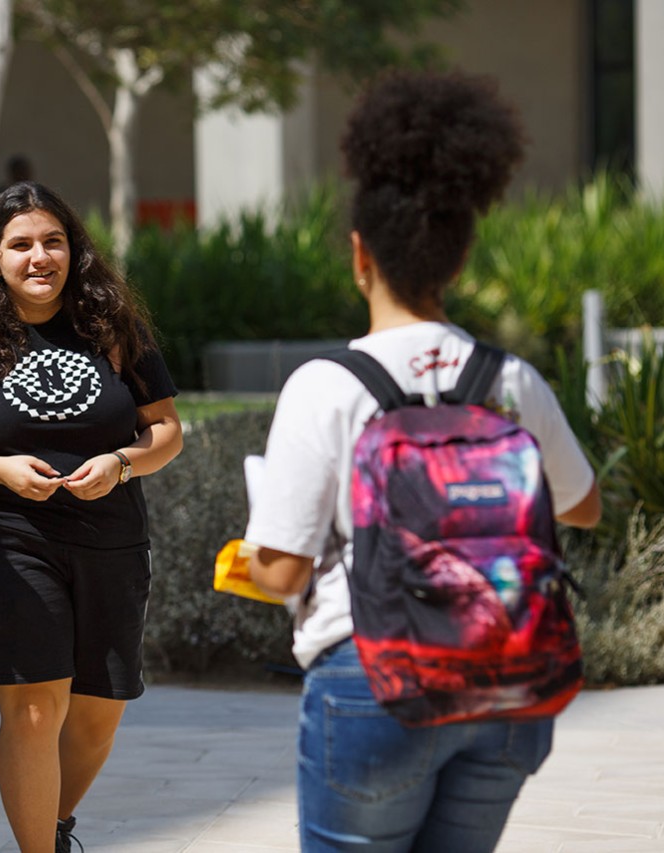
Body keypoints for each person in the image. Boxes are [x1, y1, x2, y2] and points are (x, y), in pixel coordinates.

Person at [242, 70, 603, 852]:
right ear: (459, 257)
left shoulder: (327, 386)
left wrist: (246, 549)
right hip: (508, 682)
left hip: (373, 682)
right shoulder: (508, 380)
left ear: (358, 254)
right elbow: (583, 506)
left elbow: (278, 572)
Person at [0, 181, 183, 852]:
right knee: (31, 706)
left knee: (96, 718)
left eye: (52, 241)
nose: (39, 257)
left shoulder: (112, 325)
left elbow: (165, 429)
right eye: (20, 244)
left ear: (72, 248)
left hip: (110, 535)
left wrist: (120, 464)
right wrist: (0, 469)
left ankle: (52, 827)